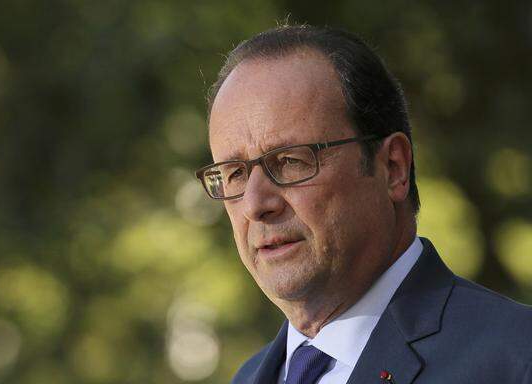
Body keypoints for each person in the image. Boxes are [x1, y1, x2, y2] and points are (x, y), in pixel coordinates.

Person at [195, 25, 532, 384]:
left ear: (393, 168)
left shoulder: (515, 359)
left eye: (291, 161)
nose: (254, 204)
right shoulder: (247, 377)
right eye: (234, 174)